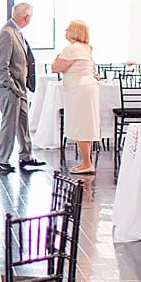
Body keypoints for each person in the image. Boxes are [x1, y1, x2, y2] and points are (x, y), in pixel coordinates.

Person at [0, 2, 43, 173]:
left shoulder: (17, 32)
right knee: (10, 124)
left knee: (22, 123)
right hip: (9, 88)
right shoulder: (7, 33)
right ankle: (2, 159)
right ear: (26, 17)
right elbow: (2, 67)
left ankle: (26, 156)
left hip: (20, 87)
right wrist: (12, 86)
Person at [51, 20, 99, 174]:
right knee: (87, 124)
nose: (65, 31)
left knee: (80, 125)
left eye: (68, 29)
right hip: (89, 87)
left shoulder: (72, 50)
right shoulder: (87, 48)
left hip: (78, 89)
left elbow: (55, 67)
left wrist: (58, 55)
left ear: (75, 32)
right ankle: (86, 161)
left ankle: (86, 164)